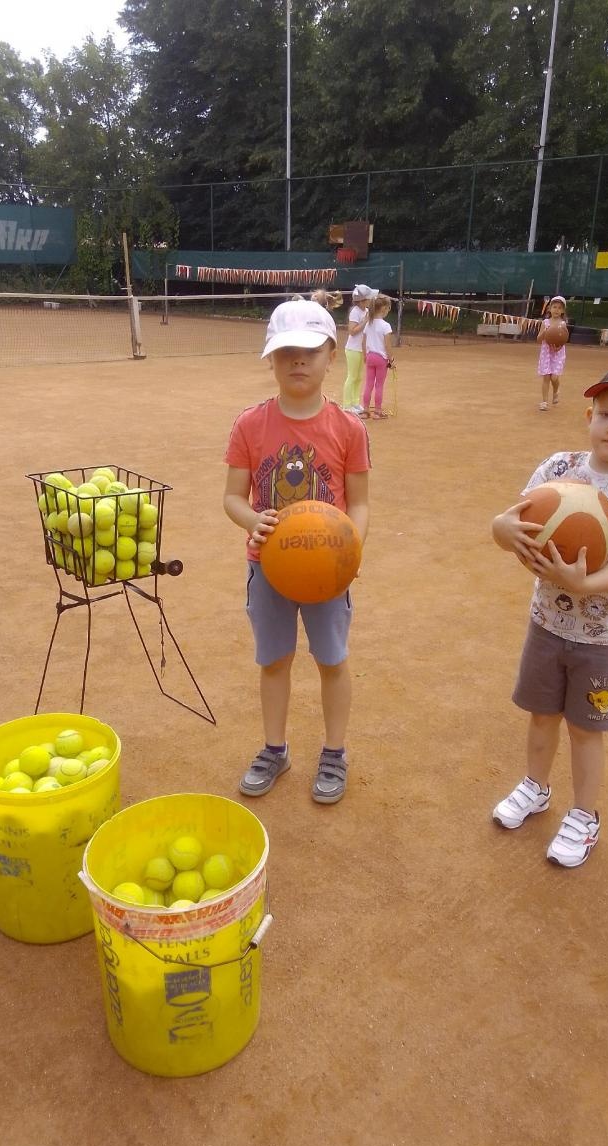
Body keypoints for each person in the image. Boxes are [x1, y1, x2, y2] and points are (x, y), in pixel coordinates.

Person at [490, 362, 608, 868]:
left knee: (586, 728)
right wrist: (501, 531)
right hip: (547, 623)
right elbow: (510, 523)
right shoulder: (557, 469)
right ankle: (536, 787)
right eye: (606, 413)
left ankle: (585, 816)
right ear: (589, 414)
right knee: (541, 714)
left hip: (604, 635)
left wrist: (582, 584)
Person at [223, 299, 371, 804]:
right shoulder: (250, 424)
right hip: (268, 567)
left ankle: (334, 753)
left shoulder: (350, 429)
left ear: (332, 353)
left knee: (332, 660)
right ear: (271, 358)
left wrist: (351, 551)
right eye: (286, 352)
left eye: (309, 350)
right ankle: (274, 748)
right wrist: (253, 520)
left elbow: (361, 504)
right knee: (275, 661)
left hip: (329, 572)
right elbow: (232, 498)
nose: (298, 361)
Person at [342, 284, 378, 413]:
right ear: (362, 300)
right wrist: (365, 321)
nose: (370, 300)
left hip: (361, 349)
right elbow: (352, 331)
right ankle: (347, 405)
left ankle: (355, 403)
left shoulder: (366, 311)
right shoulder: (355, 312)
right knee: (352, 376)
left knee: (358, 377)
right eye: (368, 298)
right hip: (352, 349)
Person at [360, 293, 395, 420]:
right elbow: (387, 346)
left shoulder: (369, 324)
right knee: (379, 385)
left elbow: (363, 342)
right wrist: (391, 360)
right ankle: (377, 411)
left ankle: (365, 410)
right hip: (381, 359)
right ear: (384, 309)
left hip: (370, 357)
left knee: (368, 384)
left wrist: (365, 356)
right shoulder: (385, 326)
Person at [536, 295, 569, 411]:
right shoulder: (545, 322)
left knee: (554, 378)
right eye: (554, 307)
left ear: (563, 311)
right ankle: (544, 401)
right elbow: (538, 339)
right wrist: (545, 332)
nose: (556, 310)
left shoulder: (563, 324)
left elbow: (564, 339)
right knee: (546, 377)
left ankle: (556, 391)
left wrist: (558, 347)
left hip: (558, 354)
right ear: (549, 308)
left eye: (560, 308)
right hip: (546, 353)